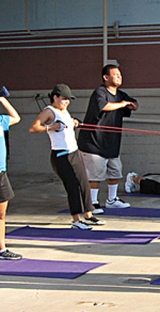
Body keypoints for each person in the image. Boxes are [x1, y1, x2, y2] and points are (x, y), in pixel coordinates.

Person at [29, 84, 106, 230]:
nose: (66, 102)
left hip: (74, 153)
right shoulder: (49, 111)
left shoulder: (64, 111)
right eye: (64, 99)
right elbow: (33, 128)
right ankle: (76, 219)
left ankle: (89, 215)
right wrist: (51, 127)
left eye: (68, 99)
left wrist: (74, 123)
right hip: (61, 155)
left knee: (84, 183)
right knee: (72, 186)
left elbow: (67, 126)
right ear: (55, 97)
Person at [78, 64, 138, 214]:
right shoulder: (99, 92)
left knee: (115, 171)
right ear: (106, 77)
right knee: (95, 174)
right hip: (93, 142)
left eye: (120, 74)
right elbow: (104, 106)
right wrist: (122, 104)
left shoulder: (121, 94)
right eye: (115, 74)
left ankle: (112, 199)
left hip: (111, 142)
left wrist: (131, 105)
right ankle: (92, 203)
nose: (119, 77)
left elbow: (134, 103)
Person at [0, 90, 21, 260]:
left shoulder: (1, 120)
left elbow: (16, 117)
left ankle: (1, 248)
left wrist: (2, 99)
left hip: (1, 172)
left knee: (1, 213)